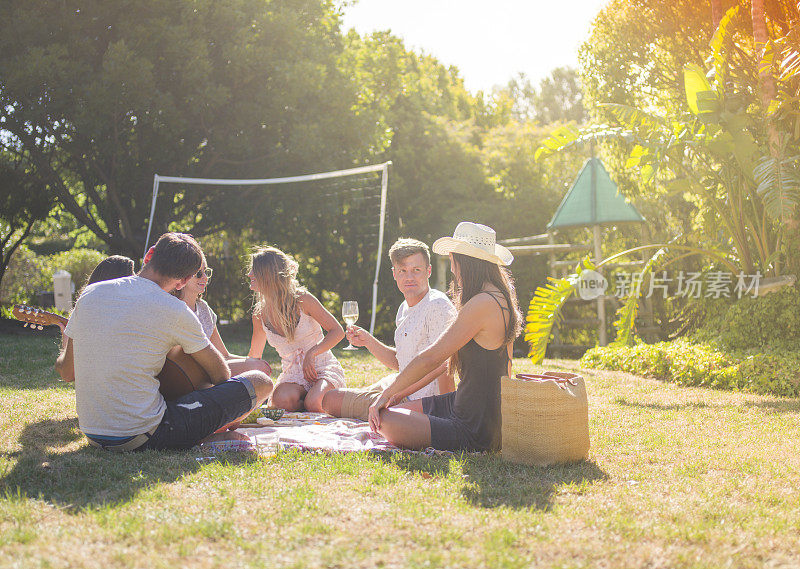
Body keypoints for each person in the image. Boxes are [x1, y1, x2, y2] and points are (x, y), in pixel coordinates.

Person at [55, 232, 273, 451]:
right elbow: (221, 375)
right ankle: (205, 435)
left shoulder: (91, 293)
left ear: (150, 255)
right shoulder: (175, 310)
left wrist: (67, 340)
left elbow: (66, 372)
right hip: (145, 435)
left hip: (94, 434)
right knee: (260, 381)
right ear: (184, 281)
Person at [367, 222, 522, 452]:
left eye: (453, 262)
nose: (453, 270)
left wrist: (387, 394)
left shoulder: (481, 303)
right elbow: (506, 369)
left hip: (474, 426)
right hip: (469, 406)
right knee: (393, 413)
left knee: (386, 419)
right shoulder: (500, 298)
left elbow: (432, 357)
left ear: (465, 262)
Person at [322, 238, 457, 421]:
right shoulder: (404, 308)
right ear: (394, 273)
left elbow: (444, 366)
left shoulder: (437, 305)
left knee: (331, 400)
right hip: (399, 386)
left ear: (428, 271)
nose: (409, 277)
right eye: (403, 271)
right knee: (332, 398)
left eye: (416, 270)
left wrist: (447, 415)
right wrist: (368, 341)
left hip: (420, 401)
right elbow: (402, 363)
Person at [247, 246, 346, 413]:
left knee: (314, 403)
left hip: (322, 368)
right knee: (280, 402)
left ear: (268, 275)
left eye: (254, 270)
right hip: (292, 375)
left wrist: (312, 353)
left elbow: (338, 331)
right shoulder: (259, 314)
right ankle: (306, 405)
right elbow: (254, 358)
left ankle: (317, 400)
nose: (249, 274)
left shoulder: (303, 300)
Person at [173, 257, 272, 378]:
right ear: (183, 277)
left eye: (206, 272)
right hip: (190, 375)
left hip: (212, 370)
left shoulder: (204, 309)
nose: (204, 277)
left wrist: (253, 361)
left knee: (259, 367)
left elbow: (224, 355)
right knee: (258, 368)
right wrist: (255, 365)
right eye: (199, 273)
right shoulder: (174, 309)